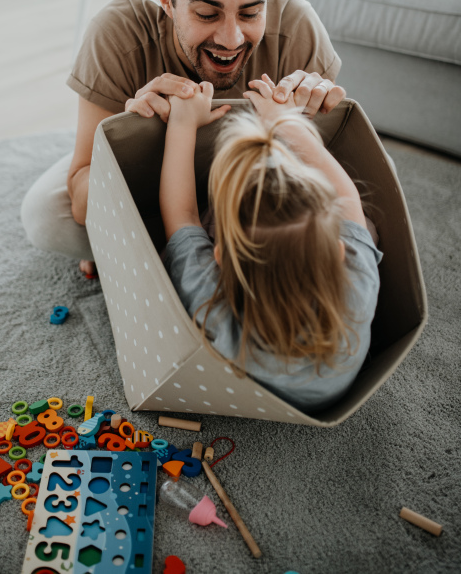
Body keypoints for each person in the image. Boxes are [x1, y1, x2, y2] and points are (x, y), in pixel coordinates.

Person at [21, 0, 346, 271]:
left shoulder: (297, 27)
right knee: (48, 217)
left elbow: (330, 181)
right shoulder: (117, 31)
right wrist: (132, 136)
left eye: (251, 12)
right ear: (166, 1)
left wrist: (318, 115)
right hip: (154, 178)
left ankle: (155, 251)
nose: (231, 38)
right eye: (206, 14)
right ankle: (179, 245)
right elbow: (81, 197)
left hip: (252, 190)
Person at [160, 77, 381, 413]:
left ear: (218, 257)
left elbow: (182, 216)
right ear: (338, 254)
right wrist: (285, 122)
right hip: (333, 392)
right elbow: (348, 197)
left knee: (196, 226)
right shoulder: (357, 289)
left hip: (263, 395)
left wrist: (182, 123)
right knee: (365, 227)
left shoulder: (214, 309)